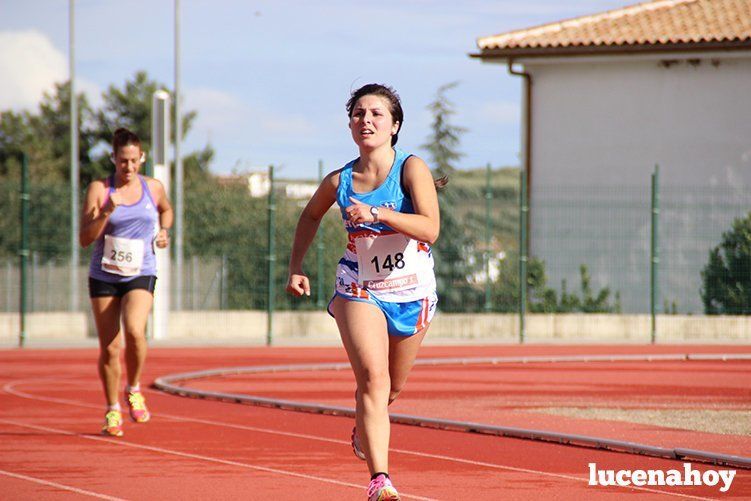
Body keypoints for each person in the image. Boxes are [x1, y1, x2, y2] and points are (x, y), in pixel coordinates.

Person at [286, 84, 443, 501]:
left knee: (391, 388)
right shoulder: (339, 180)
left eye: (376, 113)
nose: (366, 120)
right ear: (350, 124)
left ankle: (365, 424)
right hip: (360, 286)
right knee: (372, 380)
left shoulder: (411, 169)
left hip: (412, 290)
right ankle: (381, 481)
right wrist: (295, 267)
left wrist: (378, 212)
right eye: (358, 113)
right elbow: (309, 216)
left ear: (394, 126)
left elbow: (430, 228)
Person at [79, 127, 173, 437]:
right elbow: (85, 238)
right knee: (109, 347)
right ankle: (112, 409)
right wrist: (107, 209)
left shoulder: (154, 188)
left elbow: (166, 210)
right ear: (113, 159)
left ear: (142, 158)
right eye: (122, 161)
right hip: (104, 274)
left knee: (134, 330)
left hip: (140, 271)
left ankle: (133, 388)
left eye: (133, 161)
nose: (128, 168)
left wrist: (163, 231)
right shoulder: (99, 189)